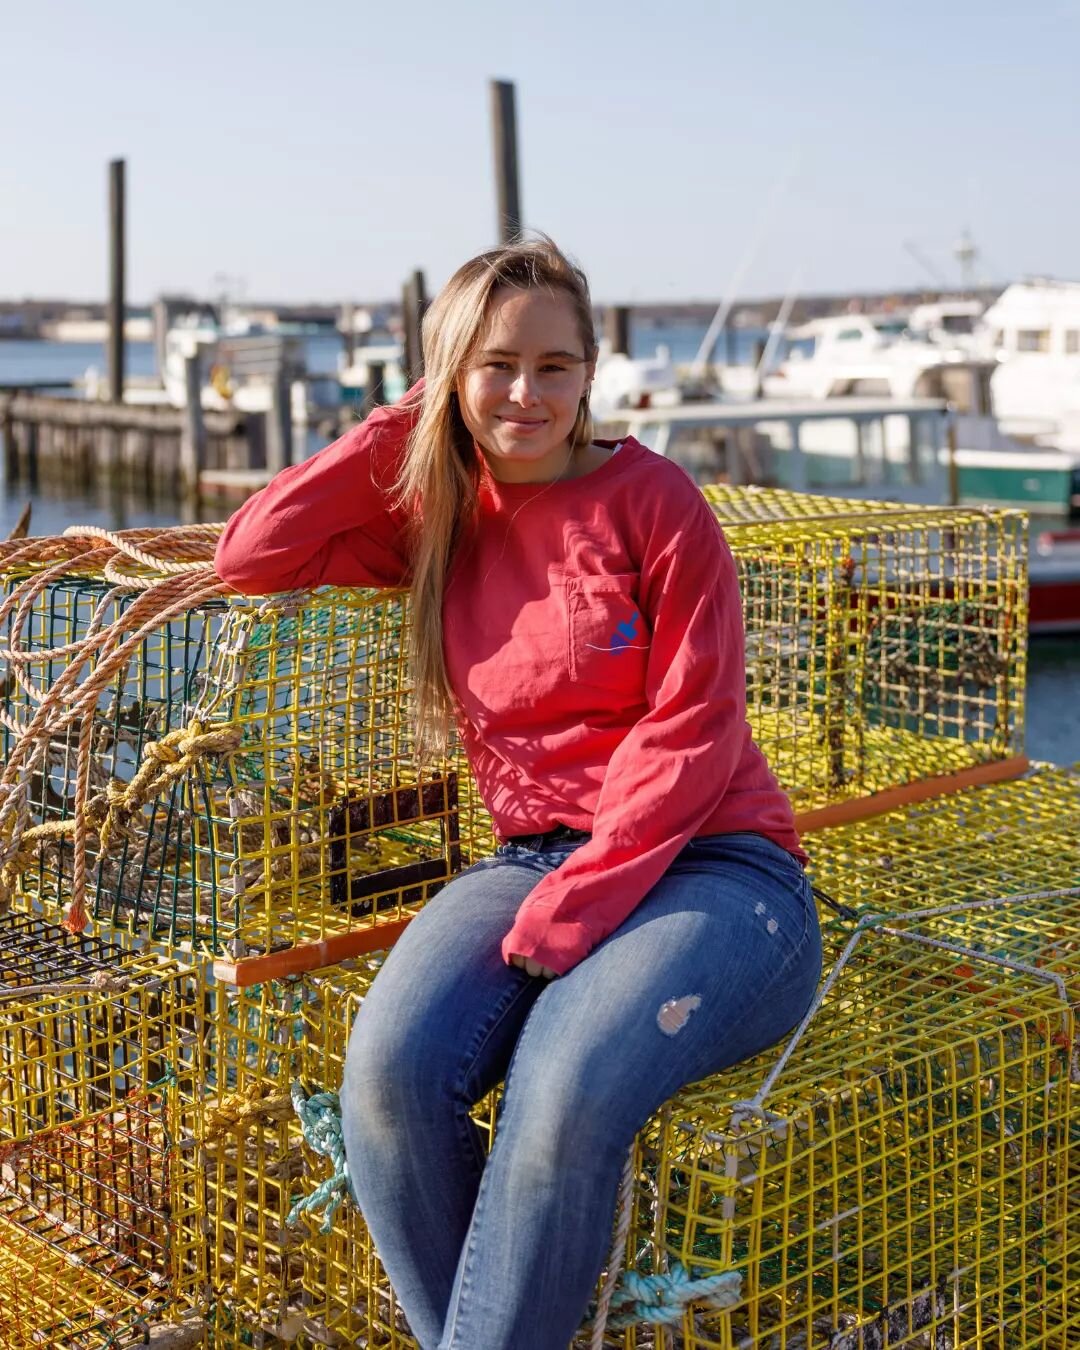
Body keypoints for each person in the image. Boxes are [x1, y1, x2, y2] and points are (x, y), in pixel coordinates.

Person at [214, 236, 822, 1350]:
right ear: (451, 371)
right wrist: (411, 422)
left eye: (554, 366)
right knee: (387, 1081)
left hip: (721, 872)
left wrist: (581, 907)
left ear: (592, 372)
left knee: (564, 1083)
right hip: (534, 857)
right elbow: (253, 552)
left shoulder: (656, 501)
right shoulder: (441, 518)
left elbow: (692, 731)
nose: (527, 393)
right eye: (495, 364)